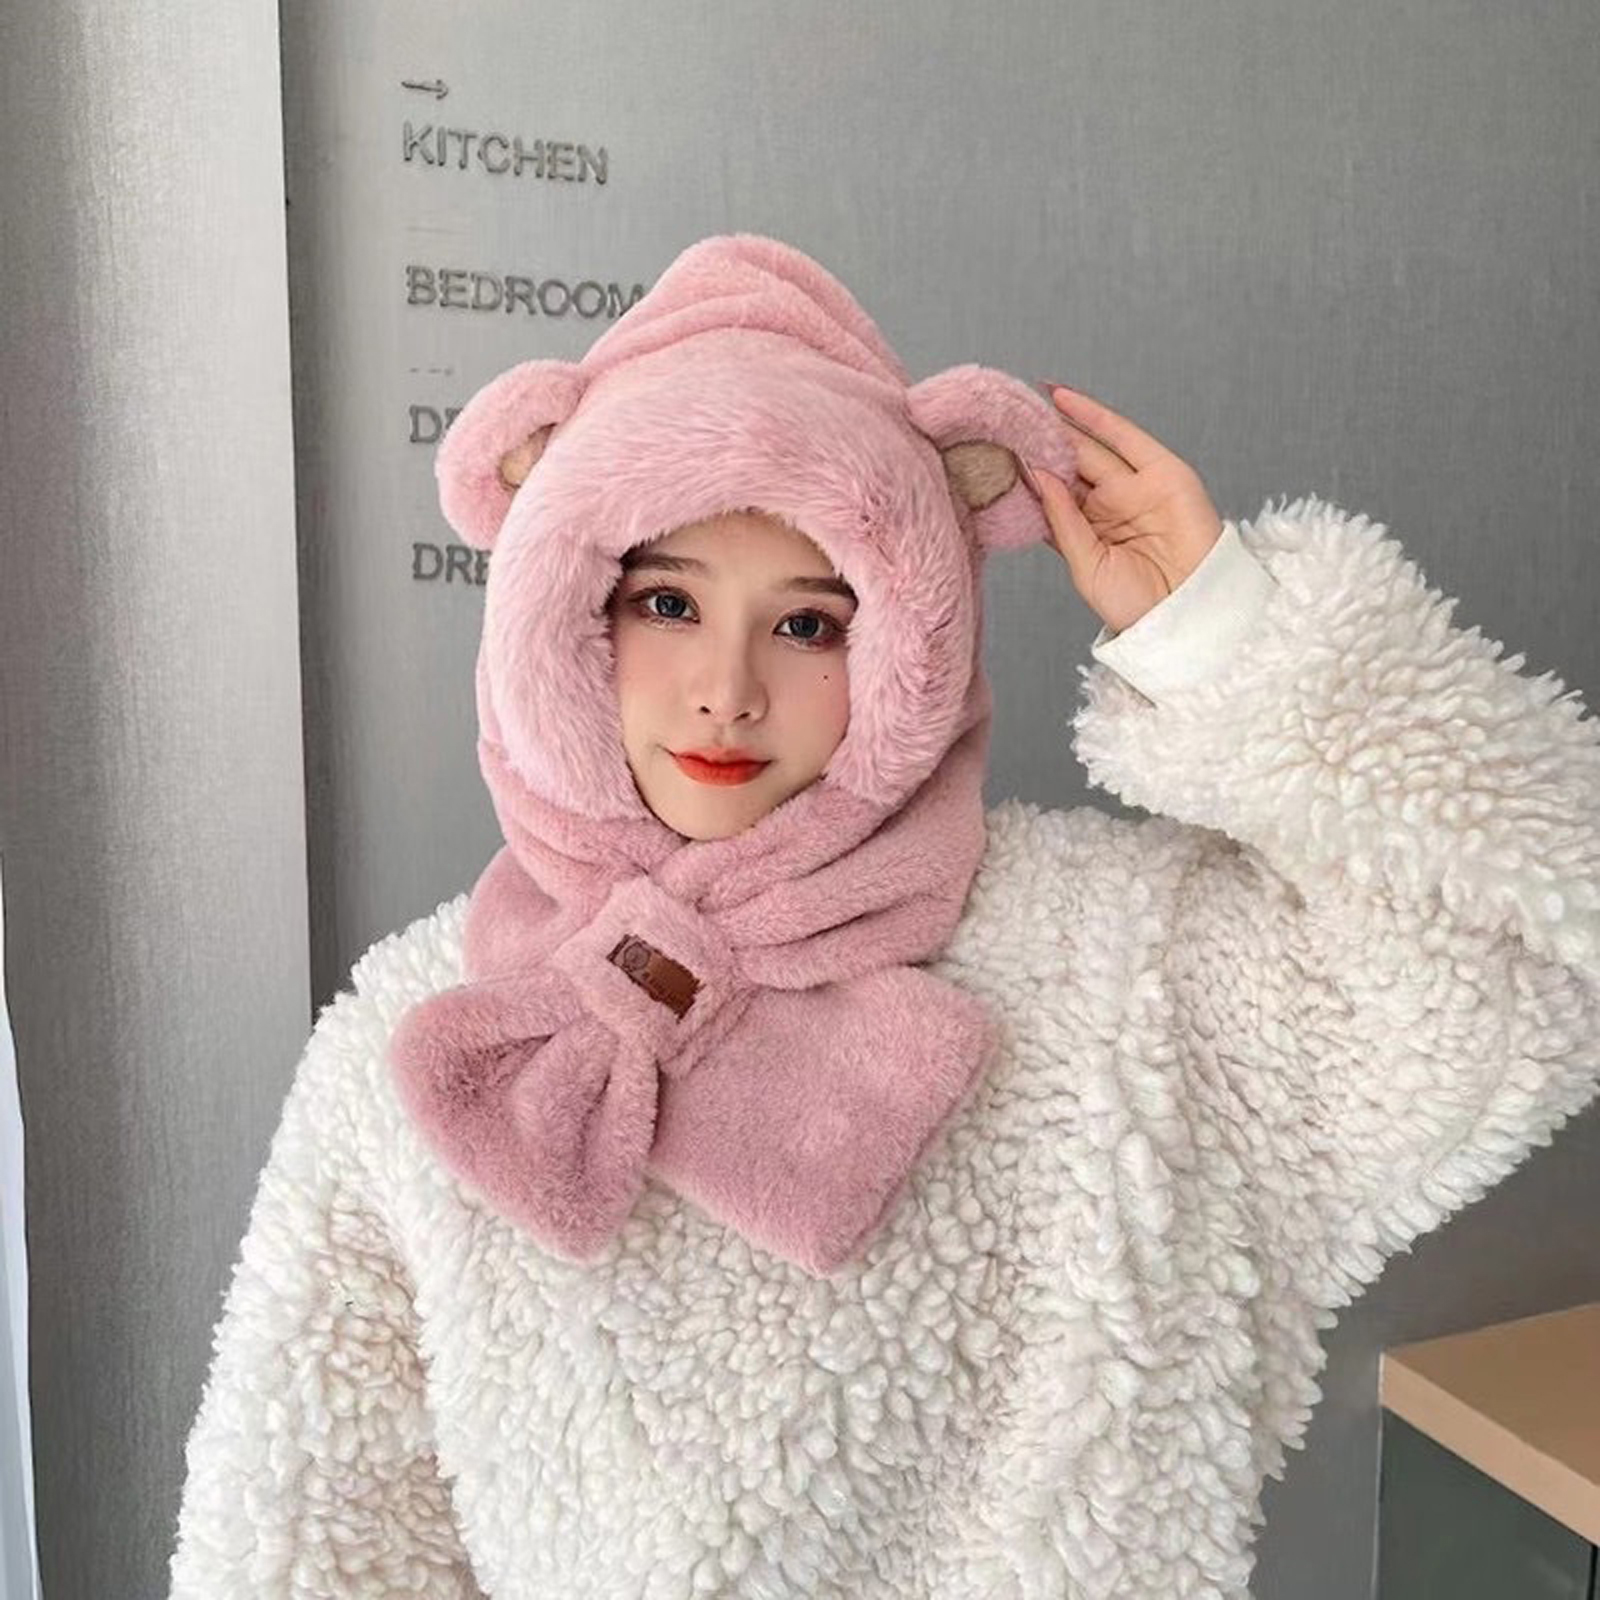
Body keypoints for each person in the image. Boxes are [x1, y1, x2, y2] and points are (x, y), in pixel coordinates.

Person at [166, 234, 1600, 1600]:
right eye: (664, 602)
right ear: (558, 608)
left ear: (913, 637)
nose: (728, 691)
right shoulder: (423, 1040)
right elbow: (301, 1549)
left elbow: (1526, 948)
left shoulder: (1120, 973)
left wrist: (1223, 634)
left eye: (810, 623)